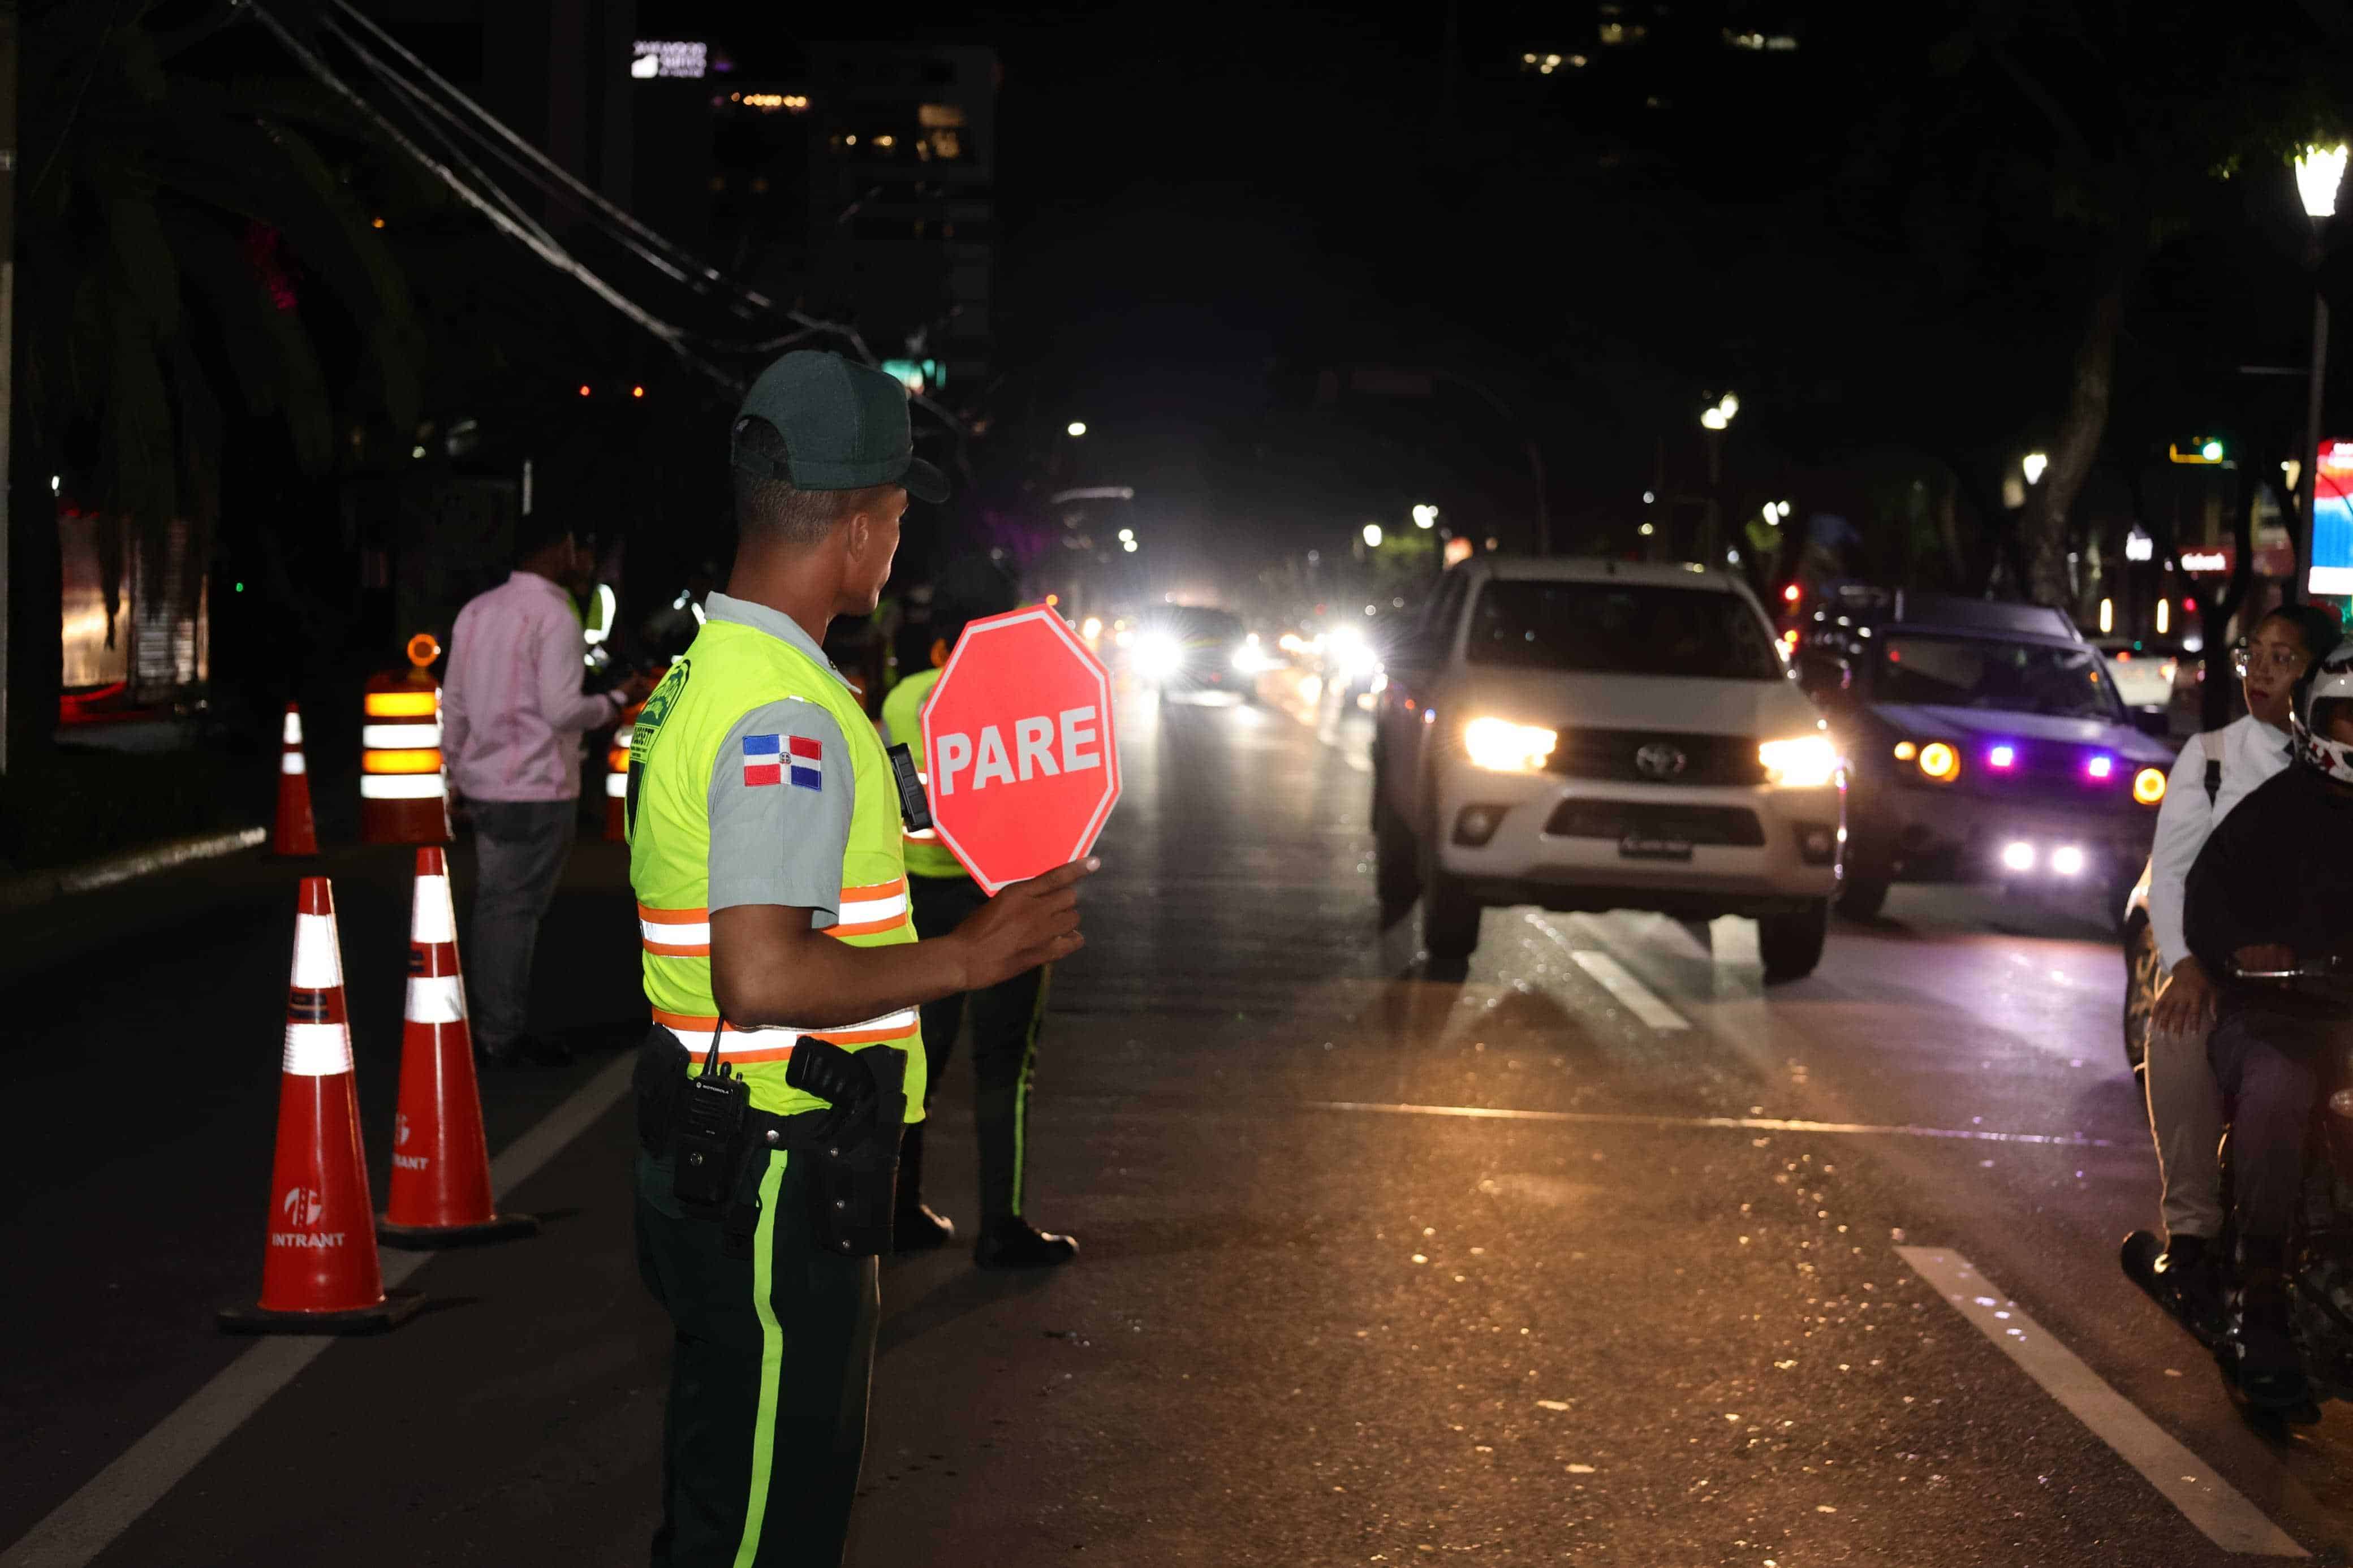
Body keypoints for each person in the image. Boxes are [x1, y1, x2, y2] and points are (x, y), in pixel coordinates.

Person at [624, 349, 1095, 1567]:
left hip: (717, 1144)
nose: (897, 549)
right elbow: (763, 974)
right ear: (853, 529)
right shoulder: (787, 713)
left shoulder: (705, 672)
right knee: (772, 1531)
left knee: (720, 1490)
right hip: (781, 1164)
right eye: (894, 519)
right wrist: (965, 957)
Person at [879, 556, 1081, 1267]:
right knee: (1003, 1067)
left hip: (919, 901)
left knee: (918, 1061)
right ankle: (1001, 1224)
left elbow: (909, 806)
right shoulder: (1027, 701)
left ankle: (899, 1208)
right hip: (1007, 897)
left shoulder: (904, 698)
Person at [2140, 604, 2338, 1324]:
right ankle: (2190, 1235)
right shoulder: (2216, 758)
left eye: (2281, 658)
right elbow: (2173, 875)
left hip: (2326, 986)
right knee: (2175, 1030)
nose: (2260, 669)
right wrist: (2188, 964)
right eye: (2252, 653)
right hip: (2230, 973)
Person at [2180, 639, 2353, 1406]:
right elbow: (2206, 897)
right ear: (2318, 723)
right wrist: (2239, 946)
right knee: (2281, 1088)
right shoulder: (2272, 813)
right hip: (2278, 1014)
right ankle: (2261, 1293)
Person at [443, 517, 653, 1068]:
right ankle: (499, 1032)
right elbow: (562, 710)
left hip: (486, 785)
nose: (584, 560)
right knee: (513, 912)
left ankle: (492, 1022)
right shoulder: (554, 614)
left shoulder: (476, 613)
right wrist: (612, 702)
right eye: (581, 548)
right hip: (538, 786)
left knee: (497, 905)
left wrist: (453, 777)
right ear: (562, 548)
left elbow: (457, 705)